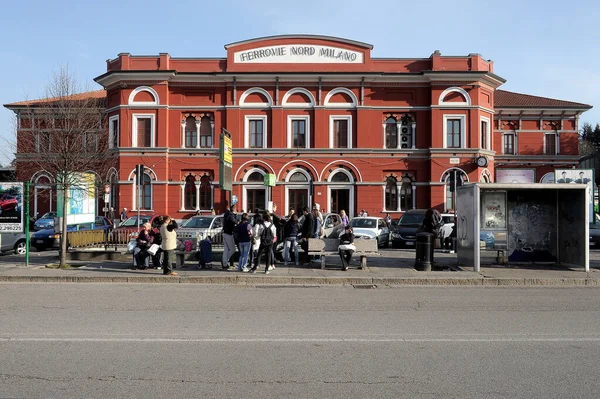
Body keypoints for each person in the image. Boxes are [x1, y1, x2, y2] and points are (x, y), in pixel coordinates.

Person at [221, 204, 238, 270]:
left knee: (226, 249)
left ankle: (224, 263)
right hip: (229, 233)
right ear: (234, 209)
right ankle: (224, 261)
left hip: (225, 232)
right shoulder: (231, 215)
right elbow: (235, 221)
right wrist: (235, 215)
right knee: (232, 249)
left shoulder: (226, 214)